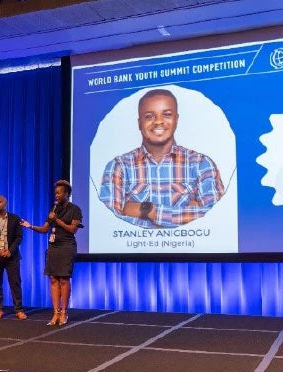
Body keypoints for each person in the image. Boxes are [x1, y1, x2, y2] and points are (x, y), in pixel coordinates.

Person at [98, 88, 226, 228]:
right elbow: (110, 223)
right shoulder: (118, 167)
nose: (158, 121)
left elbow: (215, 219)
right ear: (139, 123)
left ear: (176, 120)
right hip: (135, 250)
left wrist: (148, 210)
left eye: (166, 114)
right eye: (149, 116)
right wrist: (186, 215)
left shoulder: (201, 164)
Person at [21, 180, 83, 326]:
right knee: (53, 279)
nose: (56, 195)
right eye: (55, 193)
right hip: (53, 246)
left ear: (66, 193)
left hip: (67, 245)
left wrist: (58, 220)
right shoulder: (53, 209)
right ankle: (55, 312)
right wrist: (30, 226)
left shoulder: (75, 209)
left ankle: (64, 312)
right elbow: (44, 229)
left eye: (59, 192)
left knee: (64, 279)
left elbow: (72, 229)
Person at [0, 195, 27, 320]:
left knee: (15, 282)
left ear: (5, 203)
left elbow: (19, 237)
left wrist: (10, 250)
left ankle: (19, 309)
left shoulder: (14, 218)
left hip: (11, 256)